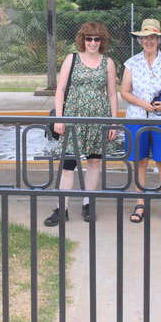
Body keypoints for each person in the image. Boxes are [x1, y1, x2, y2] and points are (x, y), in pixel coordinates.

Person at [44, 21, 118, 226]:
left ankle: (88, 203)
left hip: (98, 120)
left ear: (102, 41)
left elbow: (112, 94)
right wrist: (60, 117)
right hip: (73, 118)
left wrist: (113, 122)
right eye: (89, 38)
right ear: (82, 39)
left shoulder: (108, 63)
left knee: (94, 162)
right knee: (68, 164)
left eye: (97, 39)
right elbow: (60, 90)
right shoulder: (72, 59)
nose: (92, 42)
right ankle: (62, 208)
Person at [120, 18, 161, 225]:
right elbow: (124, 91)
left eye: (153, 37)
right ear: (140, 40)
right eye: (145, 38)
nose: (149, 41)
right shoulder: (131, 63)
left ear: (158, 40)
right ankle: (140, 202)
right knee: (140, 161)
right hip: (137, 118)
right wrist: (142, 104)